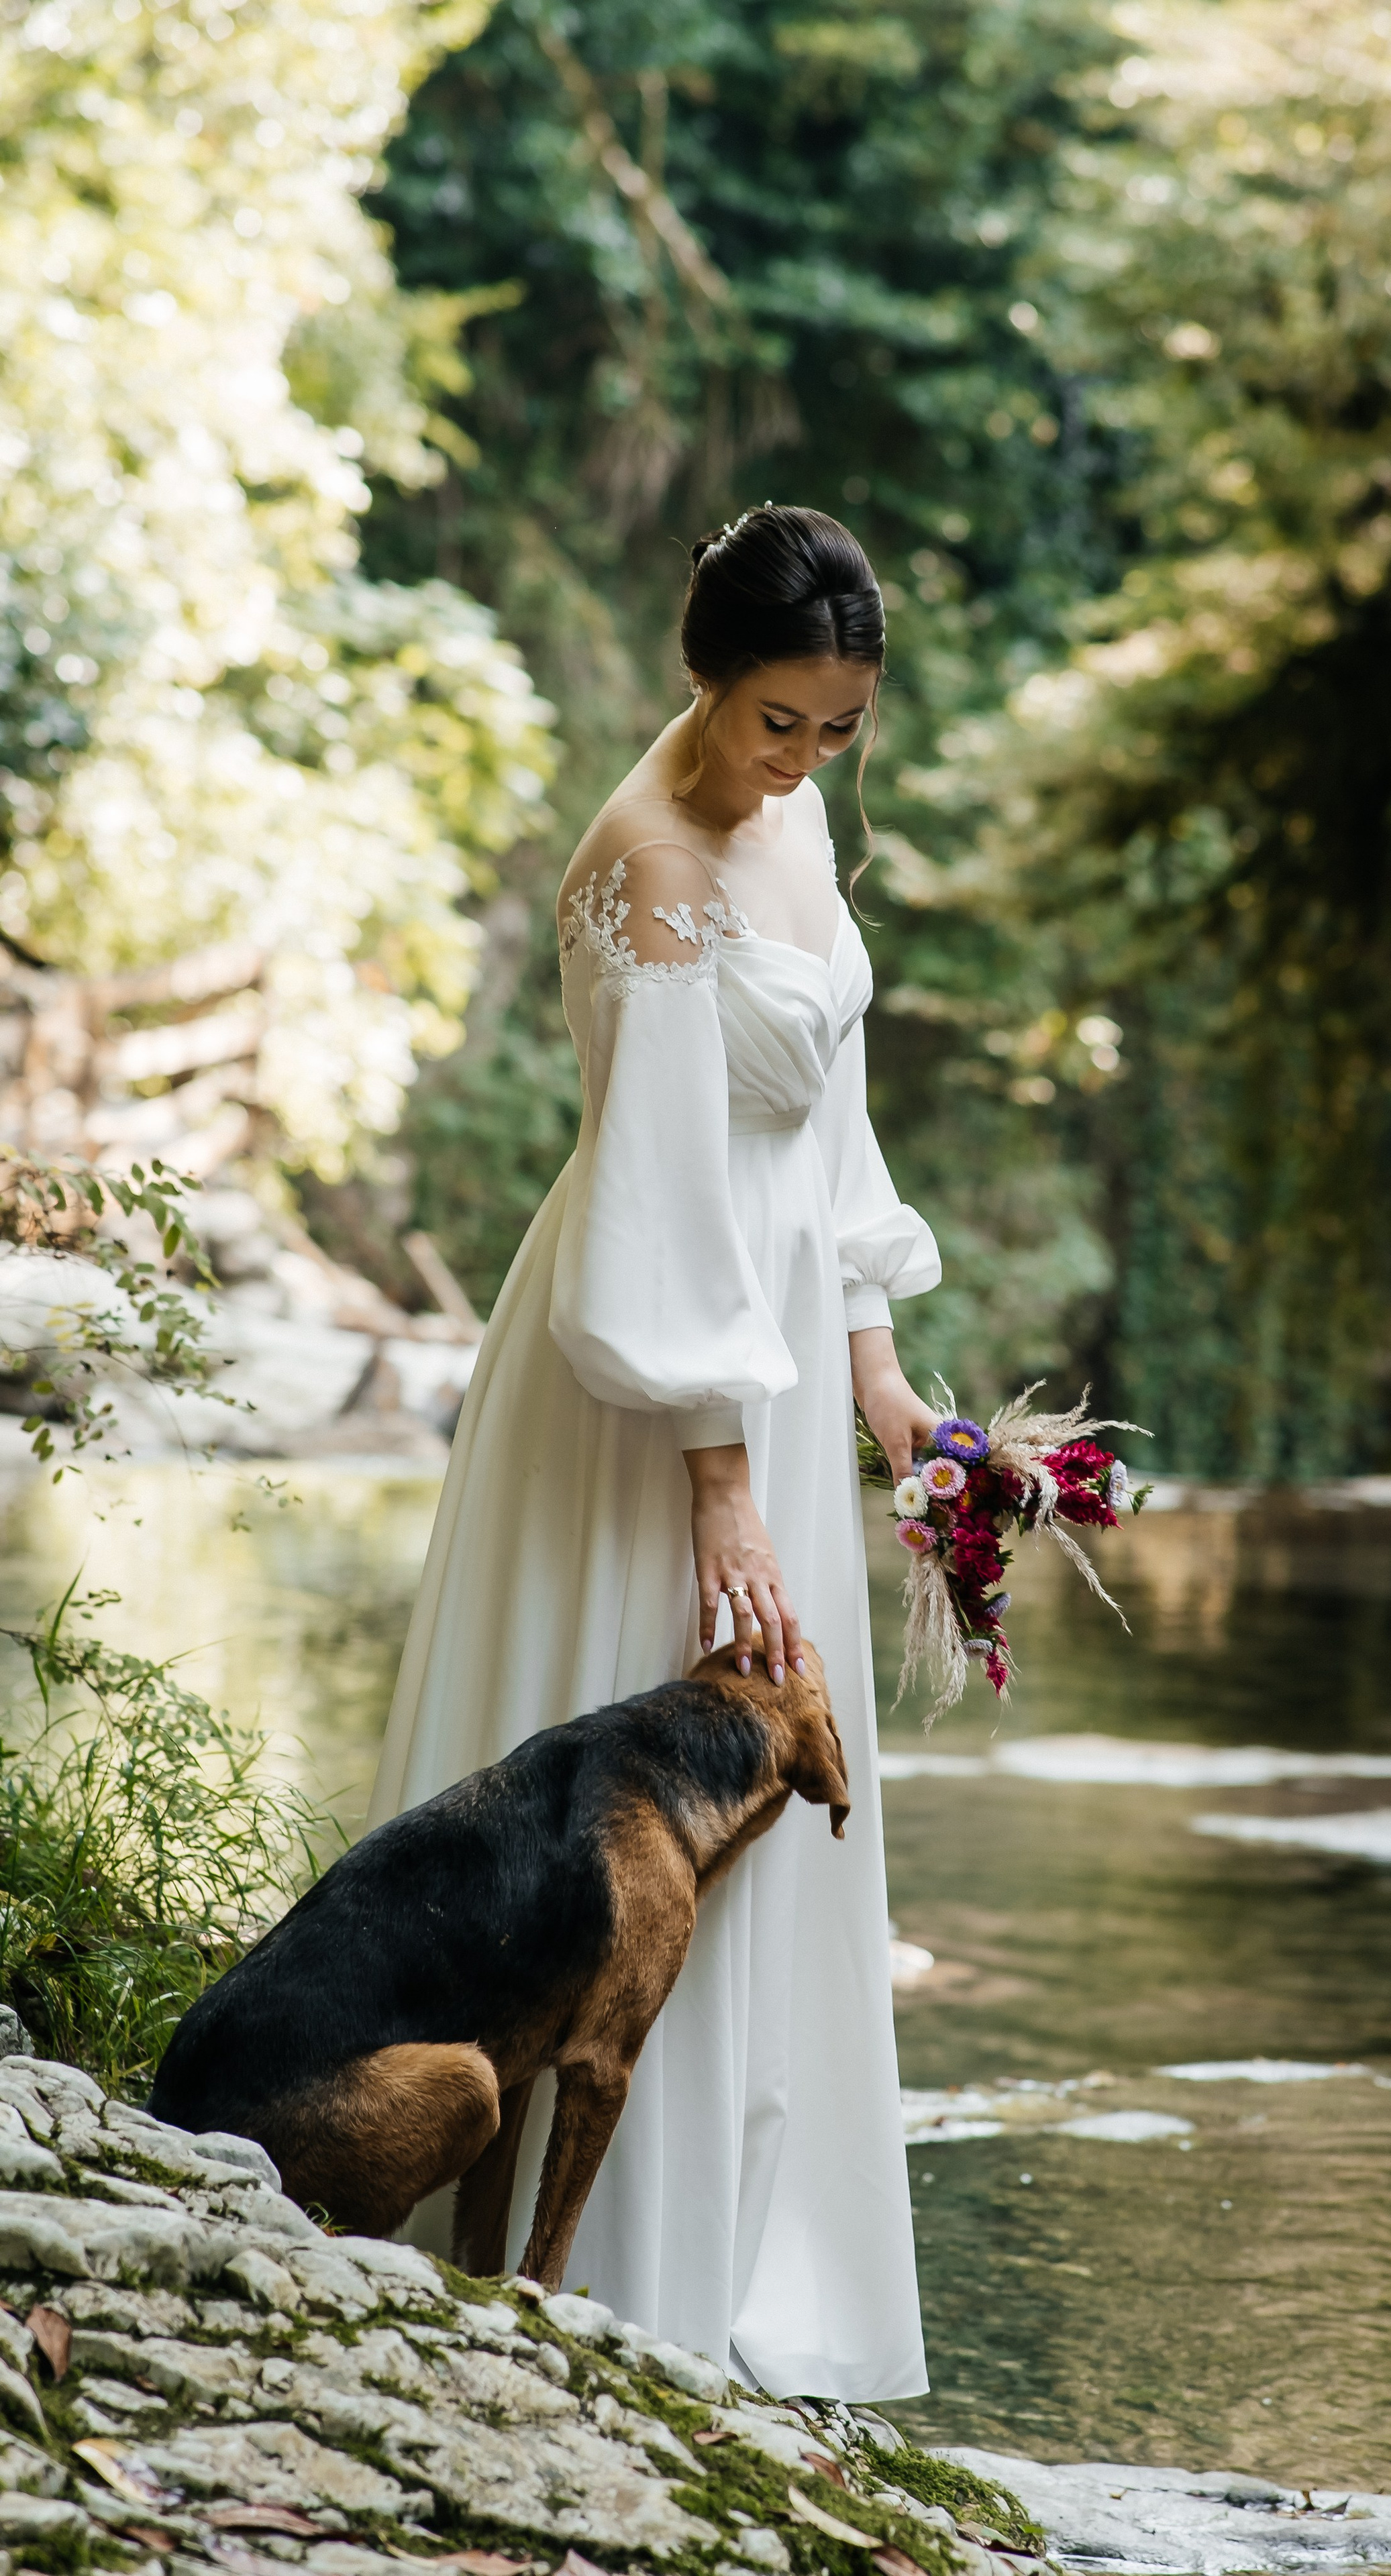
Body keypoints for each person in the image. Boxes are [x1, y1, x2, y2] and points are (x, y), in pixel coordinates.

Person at [365, 504, 941, 2402]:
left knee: (773, 1815)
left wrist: (879, 1381)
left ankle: (758, 2265)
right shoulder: (654, 861)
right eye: (783, 722)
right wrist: (723, 1484)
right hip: (654, 1382)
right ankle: (590, 2271)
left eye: (838, 729)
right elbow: (669, 1190)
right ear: (709, 673)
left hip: (774, 1355)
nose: (805, 761)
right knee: (638, 1788)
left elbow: (827, 1128)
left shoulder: (789, 830)